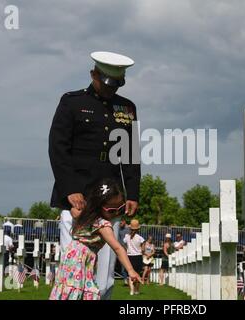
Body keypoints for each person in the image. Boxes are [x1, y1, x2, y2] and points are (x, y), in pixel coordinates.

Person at [49, 51, 141, 300]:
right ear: (94, 75)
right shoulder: (71, 102)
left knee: (105, 274)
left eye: (118, 83)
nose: (112, 89)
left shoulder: (127, 108)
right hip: (76, 200)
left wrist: (132, 193)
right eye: (108, 82)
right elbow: (58, 149)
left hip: (109, 202)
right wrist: (69, 188)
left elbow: (130, 155)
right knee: (74, 269)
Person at [49, 179, 142, 300]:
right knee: (77, 290)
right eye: (112, 210)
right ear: (99, 206)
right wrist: (130, 270)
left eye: (121, 208)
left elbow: (74, 210)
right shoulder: (103, 226)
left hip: (72, 257)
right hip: (79, 262)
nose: (116, 213)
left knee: (72, 291)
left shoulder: (86, 217)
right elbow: (118, 248)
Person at [123, 219, 144, 295]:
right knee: (138, 274)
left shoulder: (126, 236)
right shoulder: (140, 238)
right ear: (138, 228)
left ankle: (131, 290)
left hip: (129, 256)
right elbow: (143, 249)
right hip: (138, 257)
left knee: (130, 275)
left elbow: (124, 244)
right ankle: (136, 290)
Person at [118, 218, 131, 285]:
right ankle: (125, 280)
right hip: (121, 250)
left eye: (120, 223)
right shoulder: (119, 229)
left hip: (129, 250)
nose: (119, 225)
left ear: (124, 221)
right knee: (123, 266)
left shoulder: (129, 229)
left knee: (130, 265)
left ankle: (130, 279)